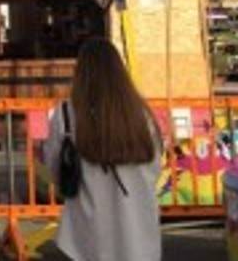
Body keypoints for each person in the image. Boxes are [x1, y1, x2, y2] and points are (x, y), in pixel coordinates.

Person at [42, 39, 163, 261]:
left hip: (89, 232)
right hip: (139, 230)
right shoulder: (141, 114)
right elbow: (155, 168)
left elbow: (56, 169)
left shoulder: (67, 114)